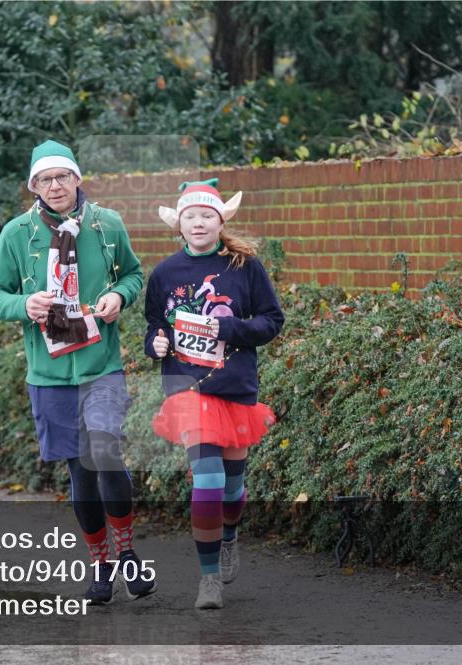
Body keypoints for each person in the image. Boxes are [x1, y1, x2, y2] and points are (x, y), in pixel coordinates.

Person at [0, 139, 156, 604]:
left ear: (78, 179)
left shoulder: (107, 224)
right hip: (49, 373)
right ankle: (101, 564)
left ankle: (128, 552)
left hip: (102, 365)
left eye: (62, 177)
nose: (54, 186)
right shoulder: (17, 234)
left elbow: (133, 275)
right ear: (33, 186)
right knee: (80, 471)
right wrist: (24, 304)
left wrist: (120, 296)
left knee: (107, 453)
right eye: (44, 180)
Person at [144, 179, 285, 609]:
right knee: (207, 478)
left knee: (232, 488)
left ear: (220, 221)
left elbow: (272, 321)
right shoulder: (164, 273)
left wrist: (231, 328)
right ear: (180, 225)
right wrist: (157, 343)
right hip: (187, 388)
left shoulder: (245, 267)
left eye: (207, 215)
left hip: (233, 388)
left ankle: (229, 535)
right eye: (191, 216)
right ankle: (208, 579)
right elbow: (154, 325)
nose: (199, 222)